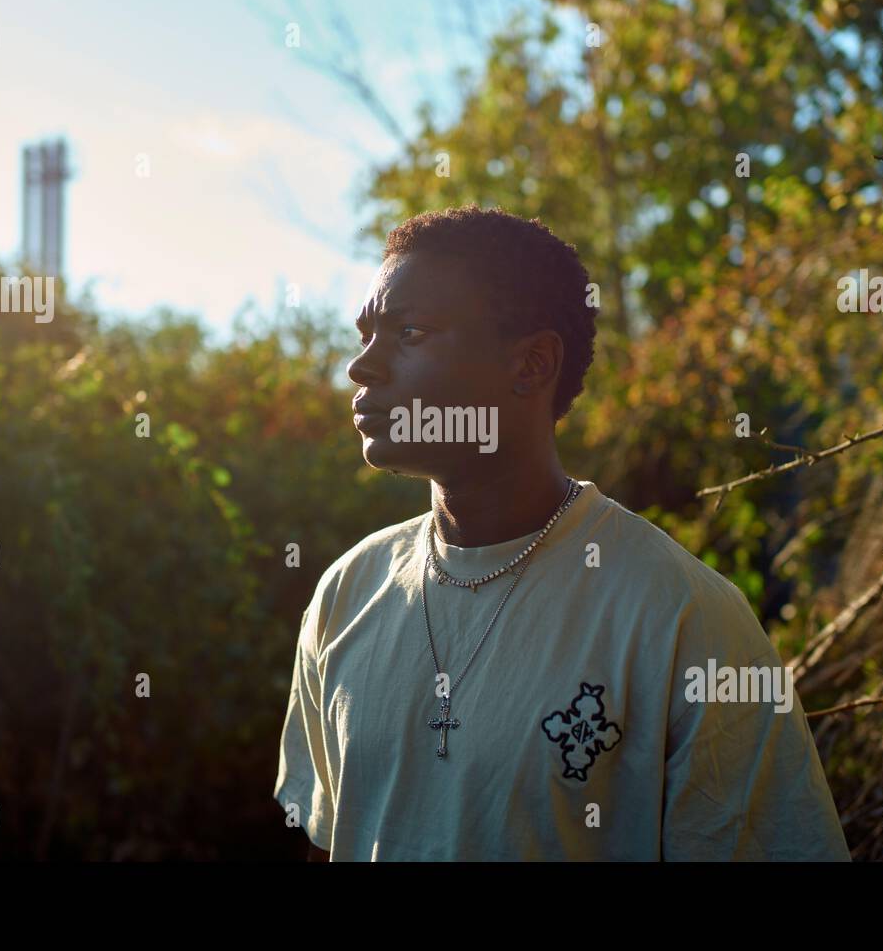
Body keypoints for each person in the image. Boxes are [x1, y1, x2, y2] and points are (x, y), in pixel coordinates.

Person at [273, 205, 850, 861]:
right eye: (367, 335)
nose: (361, 368)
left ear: (532, 365)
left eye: (409, 332)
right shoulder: (345, 595)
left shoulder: (681, 616)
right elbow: (332, 836)